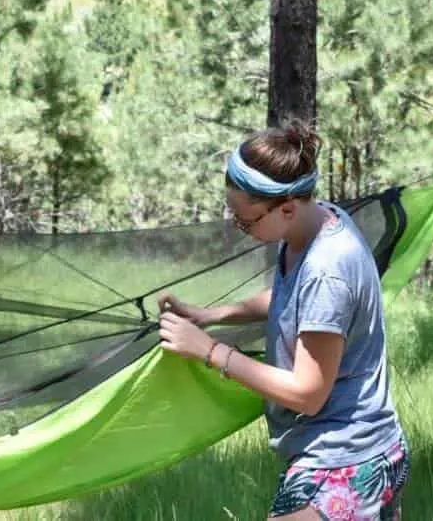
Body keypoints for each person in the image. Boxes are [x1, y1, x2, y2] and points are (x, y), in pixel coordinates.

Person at [158, 121, 410, 521]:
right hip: (358, 448)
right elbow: (295, 299)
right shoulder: (316, 223)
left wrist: (209, 351)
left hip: (347, 460)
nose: (242, 229)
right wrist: (214, 316)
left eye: (247, 221)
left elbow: (308, 393)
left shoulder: (328, 268)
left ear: (287, 208)